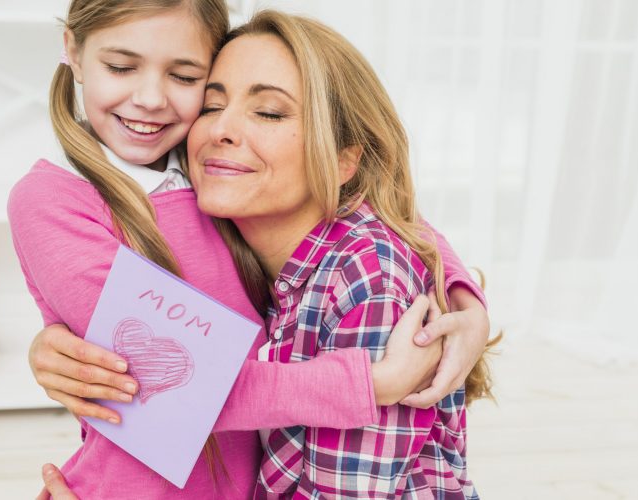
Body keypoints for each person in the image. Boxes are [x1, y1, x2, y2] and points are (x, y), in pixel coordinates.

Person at [7, 0, 491, 498]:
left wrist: (465, 299)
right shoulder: (60, 196)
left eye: (185, 75)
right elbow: (175, 385)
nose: (151, 98)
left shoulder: (199, 168)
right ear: (71, 48)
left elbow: (379, 212)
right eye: (121, 66)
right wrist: (371, 383)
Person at [188, 11, 494, 498]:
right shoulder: (218, 229)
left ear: (344, 159)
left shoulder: (367, 280)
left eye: (269, 112)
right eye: (209, 105)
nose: (220, 129)